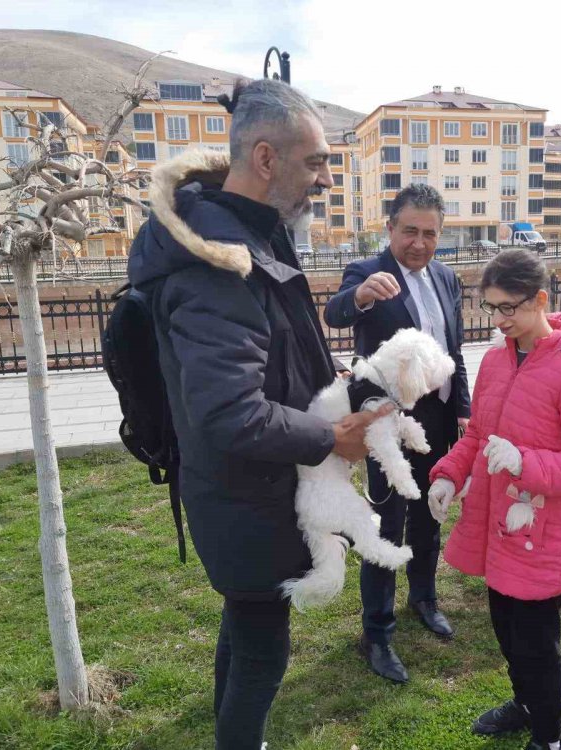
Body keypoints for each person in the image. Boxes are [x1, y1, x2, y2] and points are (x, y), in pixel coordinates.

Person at [126, 78, 391, 750]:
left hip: (252, 490)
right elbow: (229, 413)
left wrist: (319, 374)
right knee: (262, 654)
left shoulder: (247, 232)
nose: (325, 179)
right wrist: (332, 436)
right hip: (248, 495)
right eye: (316, 161)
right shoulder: (219, 262)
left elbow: (264, 349)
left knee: (244, 631)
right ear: (266, 159)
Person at [427, 249, 561, 750]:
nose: (501, 319)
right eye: (492, 308)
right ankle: (526, 704)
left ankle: (548, 735)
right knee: (506, 632)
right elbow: (477, 436)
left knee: (536, 645)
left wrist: (524, 462)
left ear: (540, 300)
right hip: (497, 525)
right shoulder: (495, 359)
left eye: (510, 307)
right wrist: (448, 474)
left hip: (540, 532)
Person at [324, 184, 471, 683]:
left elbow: (456, 350)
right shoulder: (369, 272)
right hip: (388, 422)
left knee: (430, 515)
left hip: (439, 423)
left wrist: (465, 409)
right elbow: (335, 311)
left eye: (430, 233)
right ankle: (378, 632)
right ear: (390, 229)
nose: (420, 242)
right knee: (386, 526)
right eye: (410, 230)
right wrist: (360, 297)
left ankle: (424, 599)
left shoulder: (448, 278)